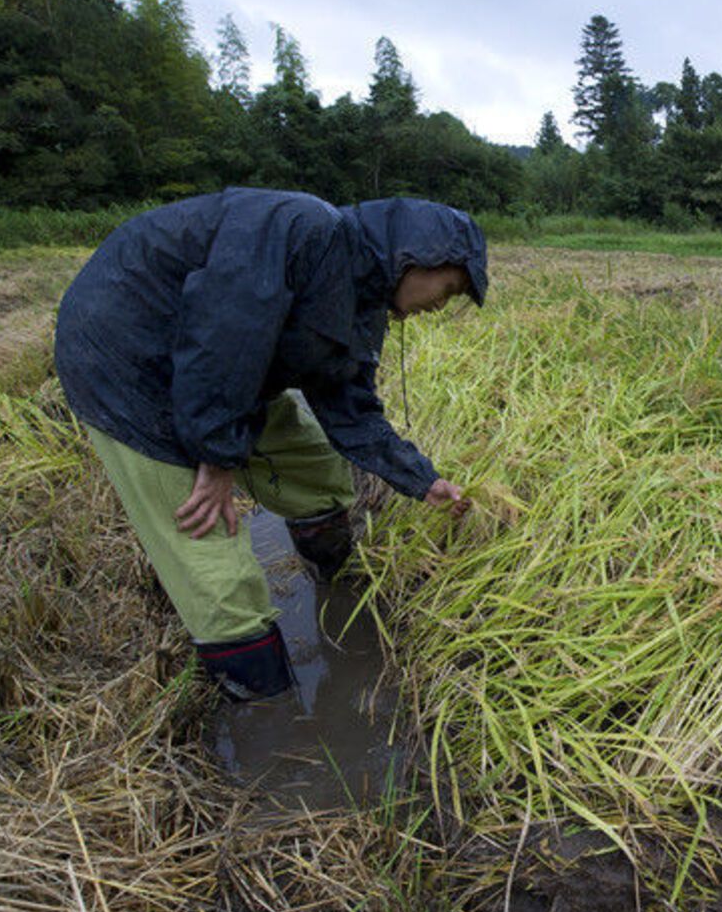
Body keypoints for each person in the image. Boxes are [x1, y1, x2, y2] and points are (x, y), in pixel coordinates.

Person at [53, 187, 487, 702]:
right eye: (449, 287)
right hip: (131, 362)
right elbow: (224, 336)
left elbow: (350, 407)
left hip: (225, 376)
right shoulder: (302, 230)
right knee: (208, 547)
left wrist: (422, 480)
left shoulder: (364, 300)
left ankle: (334, 580)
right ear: (416, 256)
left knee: (317, 470)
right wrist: (217, 458)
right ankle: (270, 710)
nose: (440, 305)